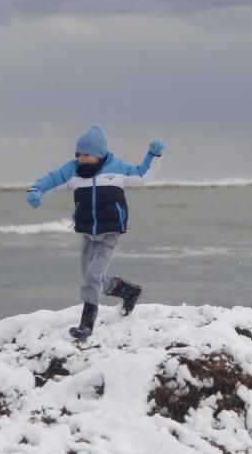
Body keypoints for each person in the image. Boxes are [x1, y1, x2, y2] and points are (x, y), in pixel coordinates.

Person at [26, 124, 166, 339]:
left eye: (86, 154)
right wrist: (36, 190)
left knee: (92, 277)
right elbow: (52, 179)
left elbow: (142, 174)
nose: (81, 158)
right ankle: (128, 291)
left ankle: (87, 325)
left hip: (110, 232)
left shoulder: (116, 168)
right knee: (91, 279)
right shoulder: (72, 171)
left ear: (99, 154)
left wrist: (154, 154)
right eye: (79, 154)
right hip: (87, 232)